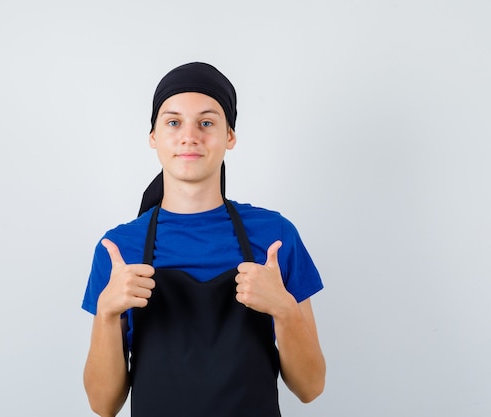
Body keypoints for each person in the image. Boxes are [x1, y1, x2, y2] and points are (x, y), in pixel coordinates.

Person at [82, 62, 326, 417]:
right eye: (173, 122)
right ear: (154, 137)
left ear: (230, 136)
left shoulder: (275, 237)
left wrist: (285, 310)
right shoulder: (119, 249)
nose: (189, 136)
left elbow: (311, 387)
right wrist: (106, 313)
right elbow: (103, 405)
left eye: (207, 122)